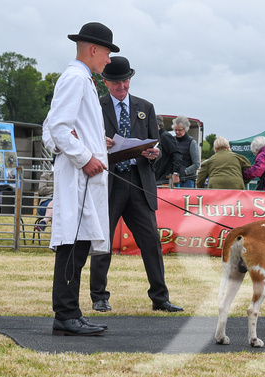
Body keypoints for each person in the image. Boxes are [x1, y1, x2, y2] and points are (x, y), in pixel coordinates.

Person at [90, 56, 183, 313]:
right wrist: (101, 142)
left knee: (151, 240)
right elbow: (87, 141)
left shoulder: (146, 107)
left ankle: (160, 297)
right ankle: (99, 296)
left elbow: (155, 144)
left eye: (126, 81)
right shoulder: (96, 107)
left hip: (139, 181)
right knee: (102, 240)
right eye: (117, 83)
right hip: (110, 181)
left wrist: (155, 154)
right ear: (106, 82)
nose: (123, 87)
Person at [43, 22, 118, 336]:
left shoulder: (83, 79)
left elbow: (61, 127)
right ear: (93, 49)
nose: (109, 61)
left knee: (81, 240)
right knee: (72, 242)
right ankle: (65, 313)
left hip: (85, 178)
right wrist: (86, 156)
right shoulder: (75, 78)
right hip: (79, 176)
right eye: (108, 53)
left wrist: (96, 141)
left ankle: (70, 311)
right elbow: (58, 126)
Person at [153, 115, 182, 186]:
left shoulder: (165, 136)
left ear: (157, 125)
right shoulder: (157, 137)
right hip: (158, 178)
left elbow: (177, 154)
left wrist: (175, 173)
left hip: (165, 180)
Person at [173, 116, 200, 188]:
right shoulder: (172, 140)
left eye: (179, 130)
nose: (177, 132)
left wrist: (184, 172)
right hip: (173, 178)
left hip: (187, 180)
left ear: (185, 129)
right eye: (175, 130)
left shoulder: (192, 142)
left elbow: (196, 164)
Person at [36, 166, 54, 231]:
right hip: (45, 203)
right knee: (56, 205)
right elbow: (42, 190)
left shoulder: (65, 176)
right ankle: (56, 239)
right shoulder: (45, 175)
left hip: (59, 205)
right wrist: (56, 189)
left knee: (57, 207)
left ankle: (44, 221)